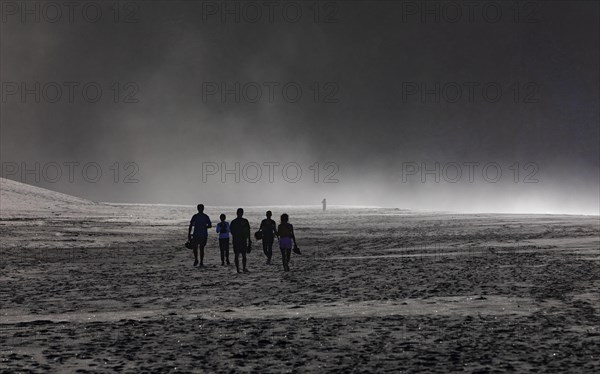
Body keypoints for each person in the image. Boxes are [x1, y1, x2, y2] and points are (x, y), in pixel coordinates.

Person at [229, 208, 252, 273]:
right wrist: (249, 239)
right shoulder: (244, 221)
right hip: (241, 239)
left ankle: (238, 269)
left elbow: (231, 231)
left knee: (238, 255)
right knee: (242, 255)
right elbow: (248, 231)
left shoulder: (234, 222)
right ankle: (242, 268)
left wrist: (249, 239)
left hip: (237, 240)